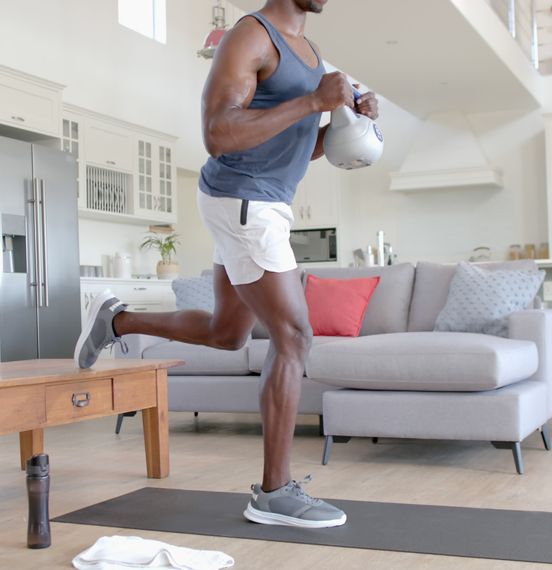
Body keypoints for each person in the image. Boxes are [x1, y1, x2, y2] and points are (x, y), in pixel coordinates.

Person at [74, 0, 379, 528]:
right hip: (245, 198)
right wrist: (311, 102)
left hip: (261, 198)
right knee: (294, 336)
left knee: (226, 332)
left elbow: (289, 144)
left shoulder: (310, 51)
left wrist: (344, 127)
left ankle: (117, 319)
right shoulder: (251, 36)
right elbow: (218, 134)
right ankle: (274, 492)